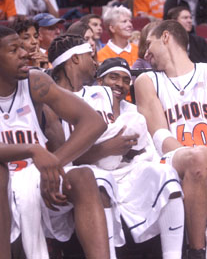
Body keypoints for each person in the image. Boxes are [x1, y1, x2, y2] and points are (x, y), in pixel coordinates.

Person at [48, 37, 185, 259]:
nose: (95, 62)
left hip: (118, 166)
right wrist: (106, 149)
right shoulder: (51, 100)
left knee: (165, 174)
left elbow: (115, 134)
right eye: (90, 56)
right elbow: (61, 158)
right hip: (85, 172)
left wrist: (126, 146)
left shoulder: (102, 93)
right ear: (74, 59)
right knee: (99, 182)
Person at [0, 25, 110, 259]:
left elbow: (94, 122)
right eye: (14, 49)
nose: (24, 53)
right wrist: (32, 149)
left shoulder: (34, 82)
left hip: (37, 177)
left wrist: (53, 164)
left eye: (23, 47)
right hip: (5, 179)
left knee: (83, 177)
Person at [134, 19, 207, 258]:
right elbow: (160, 137)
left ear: (166, 37)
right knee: (198, 159)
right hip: (174, 166)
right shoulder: (147, 81)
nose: (145, 54)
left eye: (149, 44)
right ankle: (196, 251)